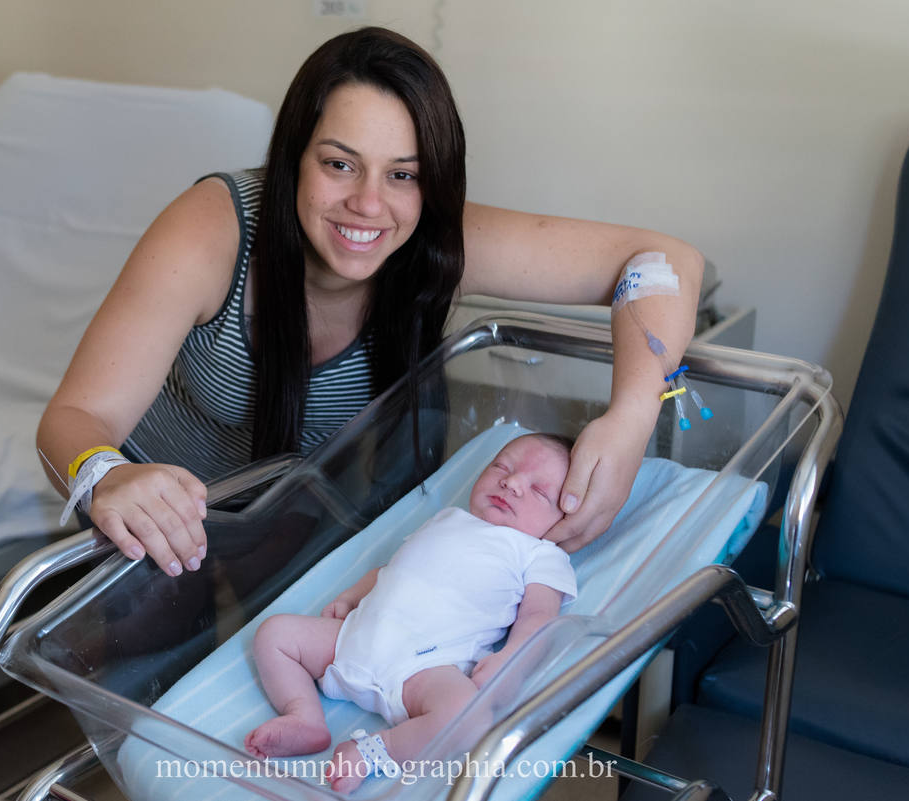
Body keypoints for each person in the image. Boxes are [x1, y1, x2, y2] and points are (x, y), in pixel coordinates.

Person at [36, 27, 703, 579]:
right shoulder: (209, 231)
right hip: (157, 523)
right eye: (339, 164)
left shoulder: (437, 241)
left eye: (403, 174)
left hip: (297, 514)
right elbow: (74, 416)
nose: (368, 203)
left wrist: (630, 420)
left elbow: (663, 260)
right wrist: (107, 476)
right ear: (295, 157)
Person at [244, 433, 579, 793]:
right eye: (501, 466)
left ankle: (374, 752)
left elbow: (538, 617)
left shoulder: (540, 553)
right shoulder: (446, 518)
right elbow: (392, 570)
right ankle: (304, 716)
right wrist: (352, 596)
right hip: (355, 635)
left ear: (563, 521)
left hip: (426, 665)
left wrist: (512, 658)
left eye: (538, 490)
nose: (511, 482)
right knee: (273, 634)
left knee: (470, 719)